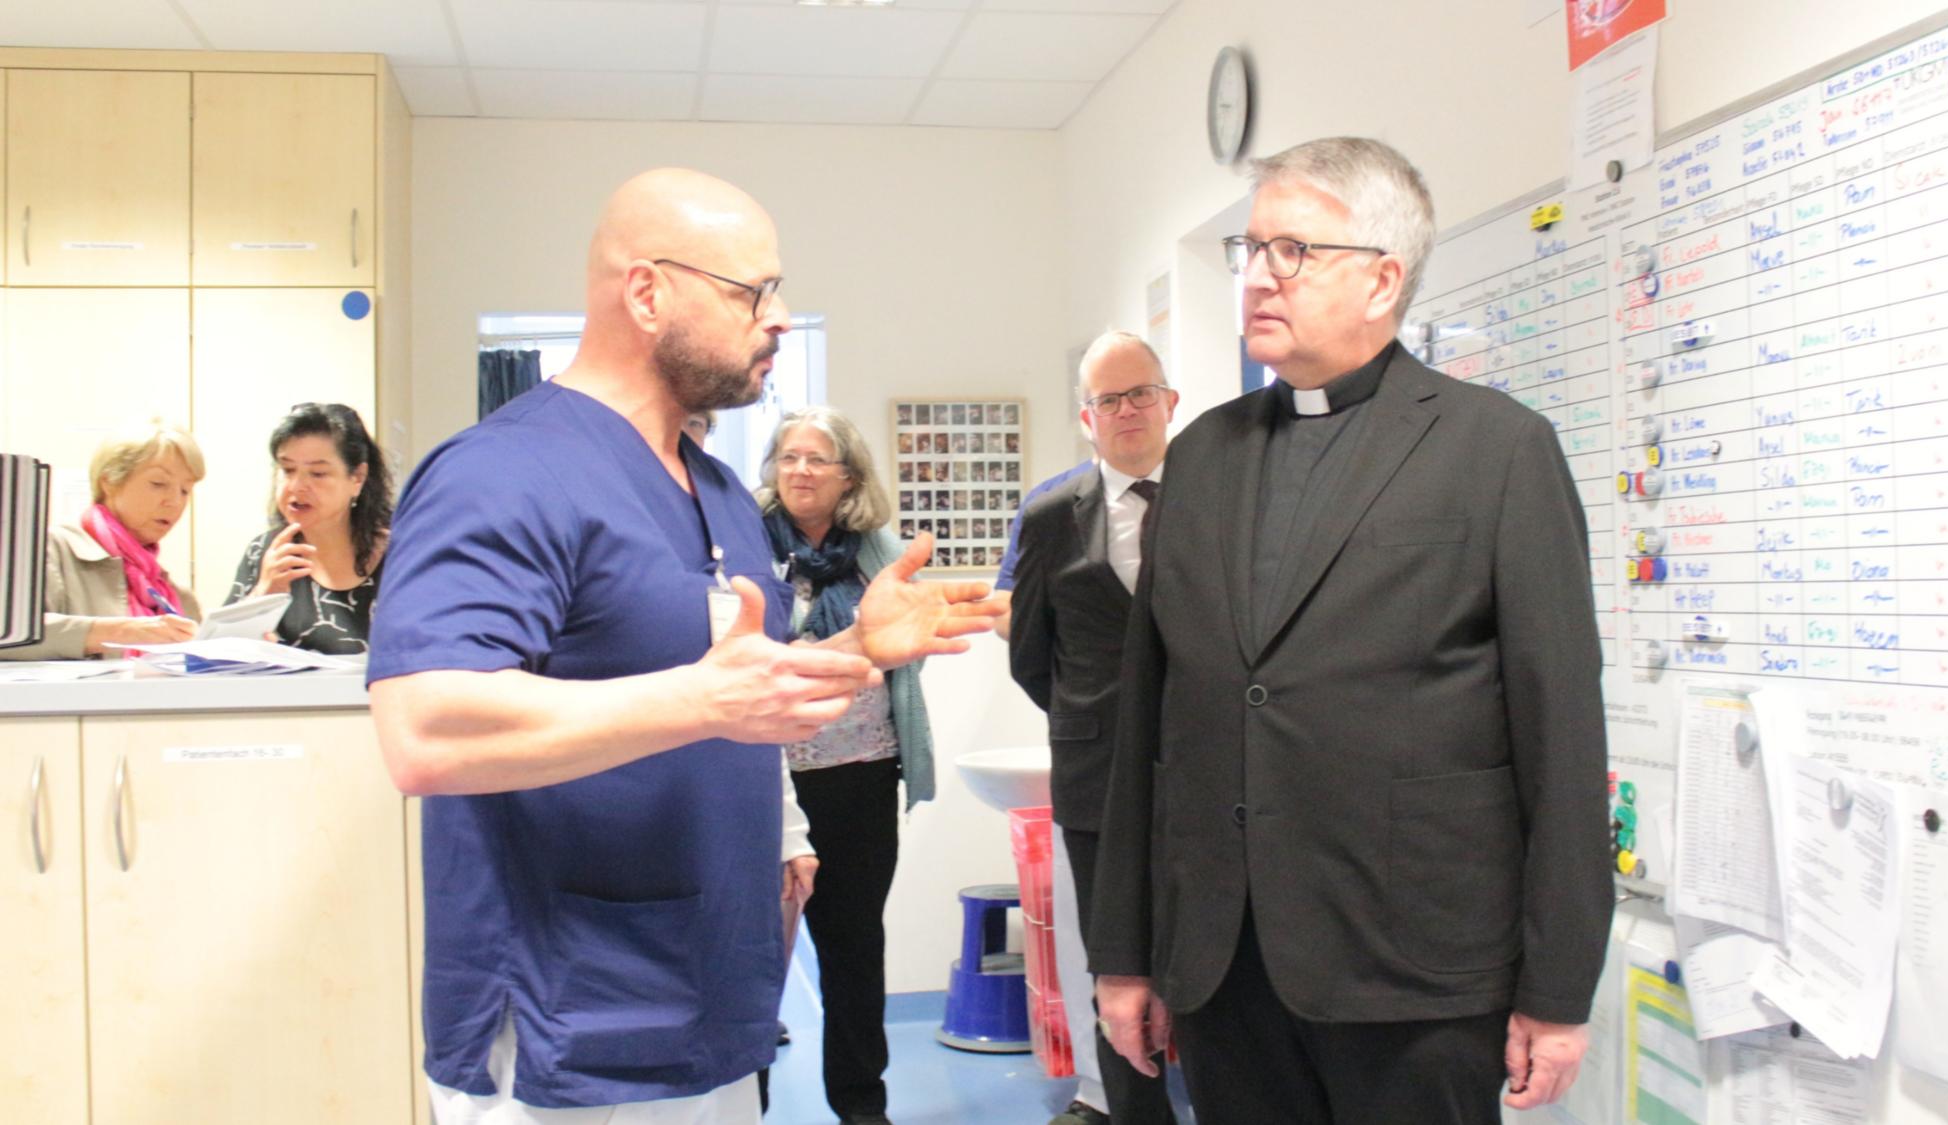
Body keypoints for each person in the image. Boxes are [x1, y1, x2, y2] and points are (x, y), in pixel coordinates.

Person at [367, 168, 1000, 1124]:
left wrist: (860, 652)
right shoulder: (502, 470)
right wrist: (701, 703)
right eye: (754, 292)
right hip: (567, 1023)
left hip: (713, 999)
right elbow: (426, 731)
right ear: (647, 291)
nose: (779, 317)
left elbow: (739, 687)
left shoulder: (716, 493)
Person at [1089, 137, 1612, 1124]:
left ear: (1381, 280)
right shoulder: (1201, 457)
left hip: (1414, 973)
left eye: (1291, 251)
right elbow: (1146, 727)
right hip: (1222, 966)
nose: (1255, 277)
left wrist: (1556, 988)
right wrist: (1123, 952)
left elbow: (1562, 738)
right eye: (1250, 249)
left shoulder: (1496, 450)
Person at [1008, 332, 1181, 1125]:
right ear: (1087, 417)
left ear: (1169, 401)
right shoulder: (1049, 516)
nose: (1127, 410)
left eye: (1140, 392)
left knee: (1203, 957)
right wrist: (1091, 717)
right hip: (1096, 776)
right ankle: (1132, 1112)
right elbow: (1030, 656)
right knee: (1114, 959)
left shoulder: (1214, 500)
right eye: (1109, 399)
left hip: (1204, 771)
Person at [759, 405, 932, 1125]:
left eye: (816, 459)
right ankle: (749, 1101)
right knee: (760, 951)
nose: (800, 470)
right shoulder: (742, 545)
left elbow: (907, 649)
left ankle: (862, 1105)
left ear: (848, 476)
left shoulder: (877, 552)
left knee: (855, 948)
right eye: (788, 457)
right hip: (768, 781)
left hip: (861, 774)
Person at [2, 420, 204, 660]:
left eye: (185, 490)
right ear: (109, 481)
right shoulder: (49, 551)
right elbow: (10, 636)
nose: (174, 501)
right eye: (158, 484)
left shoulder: (177, 596)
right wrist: (118, 632)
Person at [226, 403, 393, 654]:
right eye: (287, 470)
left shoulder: (402, 555)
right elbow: (217, 656)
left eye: (317, 473)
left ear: (357, 478)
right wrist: (263, 593)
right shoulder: (264, 551)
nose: (296, 486)